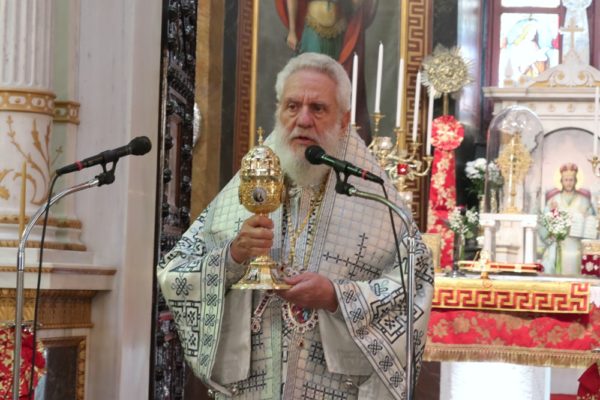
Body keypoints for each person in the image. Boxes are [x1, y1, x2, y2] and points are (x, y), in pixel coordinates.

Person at [157, 53, 433, 399]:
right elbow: (175, 273)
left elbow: (415, 284)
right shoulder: (247, 184)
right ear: (279, 111)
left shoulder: (375, 196)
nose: (303, 120)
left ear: (343, 121)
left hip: (335, 389)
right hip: (254, 387)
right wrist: (232, 257)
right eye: (292, 106)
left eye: (318, 108)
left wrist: (336, 297)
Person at [276, 0, 378, 144]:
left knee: (335, 85)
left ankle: (334, 134)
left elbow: (357, 5)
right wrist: (292, 31)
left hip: (339, 30)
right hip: (314, 27)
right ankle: (306, 133)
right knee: (310, 81)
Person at [539, 163, 595, 275]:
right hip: (559, 244)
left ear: (575, 181)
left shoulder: (584, 201)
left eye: (571, 180)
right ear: (561, 181)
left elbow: (593, 226)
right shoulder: (553, 200)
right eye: (566, 180)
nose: (569, 183)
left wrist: (587, 219)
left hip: (579, 245)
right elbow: (544, 225)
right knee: (550, 257)